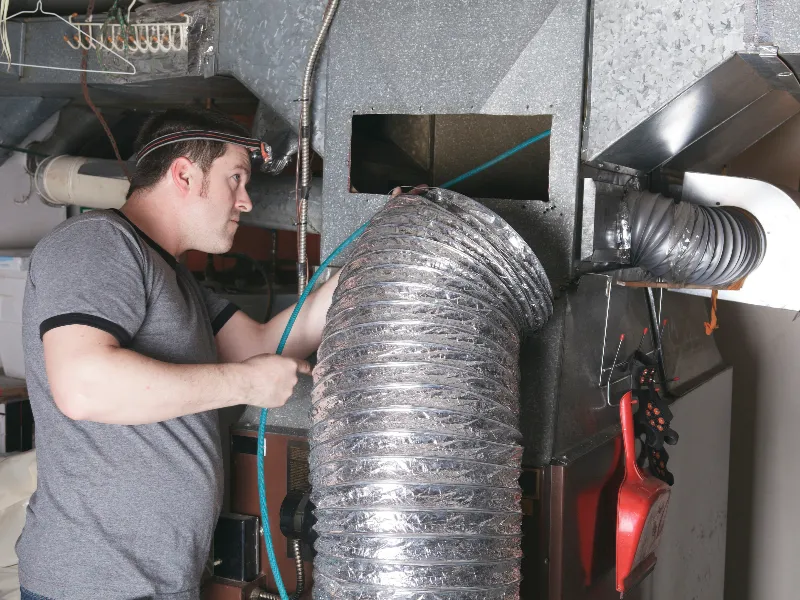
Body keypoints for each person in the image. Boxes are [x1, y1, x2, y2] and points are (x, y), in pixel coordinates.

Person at [15, 108, 339, 600]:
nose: (246, 202)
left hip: (160, 582)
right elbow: (82, 386)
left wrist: (370, 257)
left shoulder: (175, 280)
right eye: (236, 179)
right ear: (184, 174)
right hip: (93, 583)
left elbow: (265, 345)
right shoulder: (98, 244)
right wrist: (246, 383)